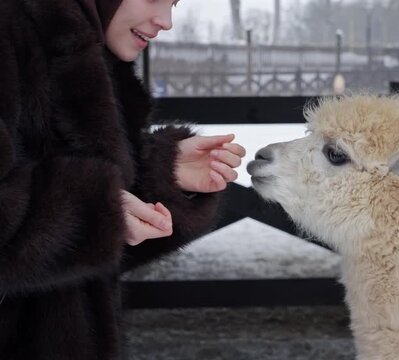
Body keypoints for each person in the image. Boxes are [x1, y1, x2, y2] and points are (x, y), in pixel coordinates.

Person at [0, 0, 246, 358]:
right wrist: (94, 210)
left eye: (174, 3)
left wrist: (163, 170)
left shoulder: (86, 54)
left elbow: (80, 248)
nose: (166, 21)